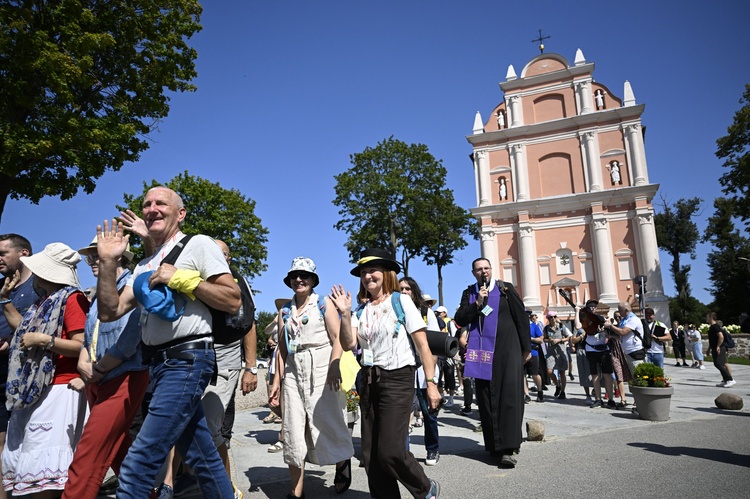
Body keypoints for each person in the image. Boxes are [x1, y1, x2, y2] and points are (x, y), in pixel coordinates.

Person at [94, 186, 240, 499]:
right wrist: (107, 263)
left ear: (180, 214)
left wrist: (180, 278)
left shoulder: (197, 245)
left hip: (188, 360)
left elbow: (232, 299)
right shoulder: (144, 266)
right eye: (147, 204)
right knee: (203, 458)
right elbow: (110, 311)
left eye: (161, 203)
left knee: (138, 462)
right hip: (157, 367)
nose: (152, 208)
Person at [330, 248, 441, 499]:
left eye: (373, 270)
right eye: (363, 272)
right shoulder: (360, 310)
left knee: (390, 450)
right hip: (368, 381)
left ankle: (425, 488)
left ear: (386, 273)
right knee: (371, 456)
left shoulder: (400, 301)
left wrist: (431, 383)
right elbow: (349, 344)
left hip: (398, 379)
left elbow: (423, 345)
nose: (368, 276)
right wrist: (346, 315)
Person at [1, 243, 89, 496]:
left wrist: (45, 341)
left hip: (61, 387)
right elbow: (24, 329)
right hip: (37, 388)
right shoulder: (45, 302)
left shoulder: (72, 299)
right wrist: (5, 301)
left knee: (46, 471)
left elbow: (82, 344)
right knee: (32, 462)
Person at [62, 238, 148, 499]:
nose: (91, 263)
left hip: (124, 376)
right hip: (99, 378)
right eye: (90, 258)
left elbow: (130, 341)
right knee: (119, 450)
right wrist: (82, 362)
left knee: (89, 454)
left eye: (96, 257)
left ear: (118, 256)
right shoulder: (99, 293)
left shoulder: (134, 286)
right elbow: (89, 338)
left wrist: (94, 372)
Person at [268, 257, 353, 498]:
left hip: (322, 367)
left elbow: (337, 338)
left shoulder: (324, 304)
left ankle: (342, 463)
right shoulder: (285, 310)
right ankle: (296, 491)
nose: (299, 279)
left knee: (328, 422)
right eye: (295, 275)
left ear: (313, 280)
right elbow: (283, 349)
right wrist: (276, 380)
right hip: (294, 371)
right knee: (293, 429)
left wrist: (335, 366)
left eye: (304, 275)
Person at [454, 257, 530, 468]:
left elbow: (521, 318)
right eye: (479, 269)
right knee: (486, 397)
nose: (483, 272)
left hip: (508, 350)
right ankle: (494, 445)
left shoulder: (505, 289)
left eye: (486, 268)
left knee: (509, 396)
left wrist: (526, 349)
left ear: (491, 270)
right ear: (473, 273)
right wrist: (477, 303)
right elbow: (460, 318)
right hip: (481, 353)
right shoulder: (469, 293)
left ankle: (510, 448)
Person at [0, 234, 41, 499]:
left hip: (28, 376)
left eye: (3, 253)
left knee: (30, 442)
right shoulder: (0, 287)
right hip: (0, 374)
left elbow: (40, 325)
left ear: (23, 253)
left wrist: (13, 339)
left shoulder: (40, 286)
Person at [399, 277, 441, 466]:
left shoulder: (426, 313)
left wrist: (429, 375)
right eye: (400, 289)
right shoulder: (394, 311)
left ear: (414, 292)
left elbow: (433, 347)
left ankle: (432, 450)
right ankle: (403, 453)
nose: (404, 292)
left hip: (424, 373)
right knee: (401, 415)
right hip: (402, 371)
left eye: (408, 288)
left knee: (428, 413)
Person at [543, 311, 571, 400]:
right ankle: (557, 385)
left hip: (561, 351)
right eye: (551, 317)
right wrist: (549, 340)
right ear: (548, 319)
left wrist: (559, 340)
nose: (553, 318)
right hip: (551, 352)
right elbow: (544, 339)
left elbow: (568, 337)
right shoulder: (546, 328)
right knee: (549, 371)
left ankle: (562, 391)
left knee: (562, 372)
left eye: (554, 316)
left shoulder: (562, 327)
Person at [706, 312, 735, 387]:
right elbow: (712, 340)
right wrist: (709, 349)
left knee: (718, 364)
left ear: (711, 317)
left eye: (707, 317)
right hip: (715, 347)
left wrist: (718, 346)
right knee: (720, 364)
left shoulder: (715, 326)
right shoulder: (712, 327)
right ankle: (725, 380)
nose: (706, 318)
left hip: (720, 348)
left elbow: (721, 337)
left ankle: (729, 379)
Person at [524, 311, 544, 403]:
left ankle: (540, 390)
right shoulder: (518, 326)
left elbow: (541, 340)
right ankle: (526, 394)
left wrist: (530, 339)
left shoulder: (534, 326)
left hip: (534, 353)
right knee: (522, 375)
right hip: (521, 353)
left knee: (534, 374)